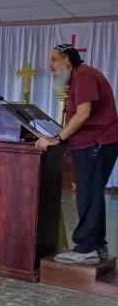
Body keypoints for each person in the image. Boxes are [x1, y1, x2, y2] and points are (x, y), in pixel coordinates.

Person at [36, 44, 118, 265]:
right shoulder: (79, 78)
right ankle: (98, 245)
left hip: (96, 144)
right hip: (94, 144)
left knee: (88, 195)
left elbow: (83, 114)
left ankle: (86, 249)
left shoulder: (83, 76)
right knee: (92, 194)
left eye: (54, 59)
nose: (50, 66)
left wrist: (58, 138)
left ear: (67, 60)